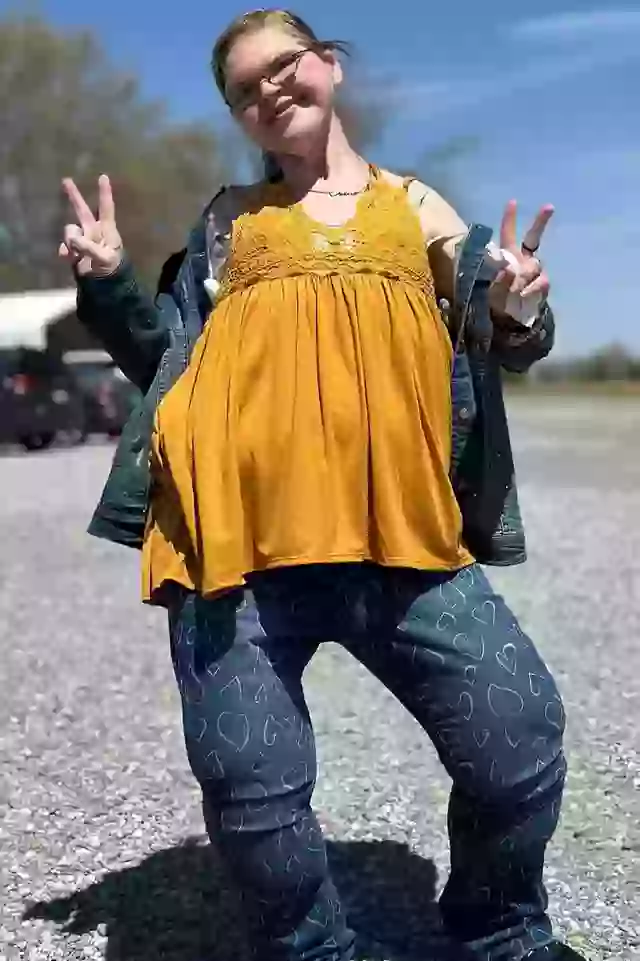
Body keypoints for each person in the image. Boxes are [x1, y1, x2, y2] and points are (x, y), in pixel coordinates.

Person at [59, 9, 584, 961]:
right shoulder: (226, 220)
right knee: (250, 787)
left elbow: (506, 328)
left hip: (405, 542)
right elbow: (161, 360)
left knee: (518, 740)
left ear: (330, 67)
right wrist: (109, 283)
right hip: (234, 551)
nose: (270, 89)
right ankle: (315, 950)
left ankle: (501, 924)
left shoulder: (415, 207)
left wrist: (516, 310)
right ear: (238, 114)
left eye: (285, 65)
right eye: (245, 87)